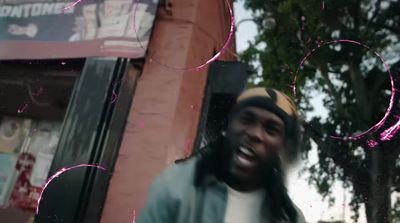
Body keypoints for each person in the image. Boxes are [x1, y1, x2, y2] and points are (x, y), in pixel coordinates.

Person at [137, 87, 306, 223]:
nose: (255, 134)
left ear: (281, 147)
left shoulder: (290, 217)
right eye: (247, 119)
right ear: (228, 127)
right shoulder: (175, 188)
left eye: (271, 129)